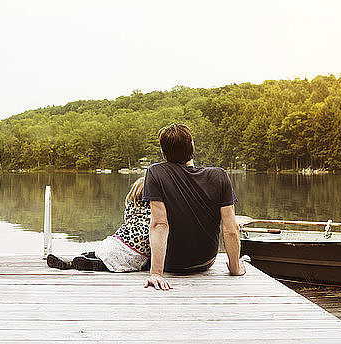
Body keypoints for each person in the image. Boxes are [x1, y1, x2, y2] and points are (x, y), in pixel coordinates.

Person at [142, 123, 245, 291]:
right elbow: (230, 229)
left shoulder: (155, 172)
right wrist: (235, 268)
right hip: (205, 261)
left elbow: (159, 224)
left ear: (163, 153)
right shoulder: (219, 176)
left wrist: (156, 273)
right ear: (192, 147)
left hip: (171, 264)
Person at [46, 177, 151, 272]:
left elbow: (127, 221)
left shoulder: (132, 206)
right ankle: (87, 263)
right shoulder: (156, 211)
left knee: (98, 253)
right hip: (135, 254)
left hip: (115, 243)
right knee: (109, 264)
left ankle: (71, 261)